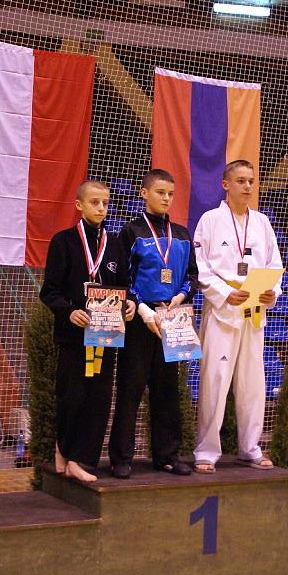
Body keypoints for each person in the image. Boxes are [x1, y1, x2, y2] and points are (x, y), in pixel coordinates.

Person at [40, 180, 135, 483]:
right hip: (74, 335)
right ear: (79, 205)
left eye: (105, 203)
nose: (101, 208)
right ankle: (63, 449)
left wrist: (130, 304)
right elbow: (49, 291)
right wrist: (68, 311)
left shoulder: (115, 244)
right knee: (72, 395)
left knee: (99, 397)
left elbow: (123, 287)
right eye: (94, 202)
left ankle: (80, 459)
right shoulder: (64, 242)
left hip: (105, 334)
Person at [192, 160, 283, 473]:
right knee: (215, 381)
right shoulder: (210, 220)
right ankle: (206, 450)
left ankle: (250, 447)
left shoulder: (262, 223)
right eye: (241, 181)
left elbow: (274, 264)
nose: (247, 186)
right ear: (226, 184)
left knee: (253, 383)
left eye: (251, 181)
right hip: (223, 311)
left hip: (254, 310)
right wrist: (222, 293)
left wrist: (273, 292)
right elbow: (200, 266)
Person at [108, 168, 198, 478]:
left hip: (172, 319)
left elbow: (193, 275)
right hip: (139, 320)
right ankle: (122, 458)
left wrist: (181, 296)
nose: (166, 198)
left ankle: (167, 456)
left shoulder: (182, 234)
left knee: (167, 392)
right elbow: (123, 278)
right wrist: (144, 310)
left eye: (171, 194)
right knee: (130, 389)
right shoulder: (130, 232)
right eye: (160, 192)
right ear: (144, 193)